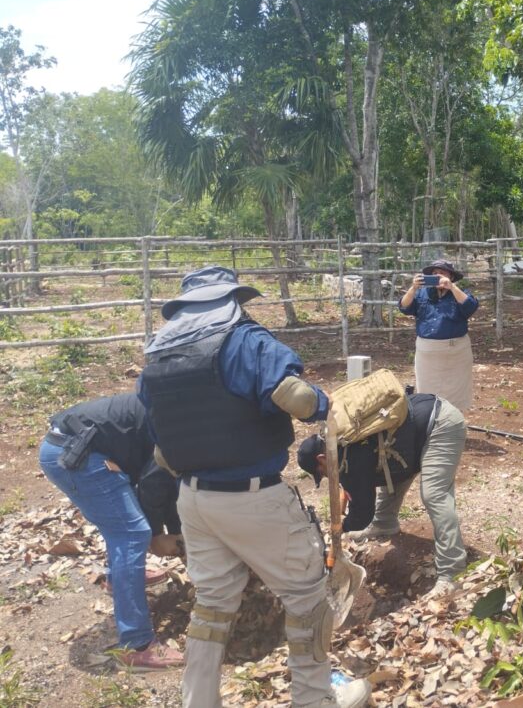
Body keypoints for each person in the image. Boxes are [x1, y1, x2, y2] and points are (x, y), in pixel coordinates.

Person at [139, 266, 370, 708]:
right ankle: (314, 699)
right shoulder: (243, 340)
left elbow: (161, 450)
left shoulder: (159, 361)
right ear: (232, 302)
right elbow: (297, 399)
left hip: (193, 499)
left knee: (211, 606)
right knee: (307, 601)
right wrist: (326, 402)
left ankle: (199, 701)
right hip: (253, 497)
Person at [38, 393, 184, 670]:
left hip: (68, 445)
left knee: (120, 520)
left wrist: (175, 531)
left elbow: (163, 484)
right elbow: (154, 484)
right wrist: (157, 537)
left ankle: (121, 579)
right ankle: (137, 646)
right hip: (75, 453)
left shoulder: (175, 404)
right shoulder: (178, 423)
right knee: (132, 533)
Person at [298, 391, 466, 598]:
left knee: (434, 494)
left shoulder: (348, 459)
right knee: (387, 468)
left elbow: (362, 514)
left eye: (321, 472)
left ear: (322, 458)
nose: (325, 477)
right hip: (413, 435)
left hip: (440, 424)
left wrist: (343, 527)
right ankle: (384, 522)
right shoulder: (339, 442)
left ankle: (452, 573)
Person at [398, 259, 478, 412]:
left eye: (442, 273)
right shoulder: (421, 293)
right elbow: (404, 306)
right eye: (434, 274)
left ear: (451, 277)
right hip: (428, 354)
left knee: (457, 392)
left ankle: (453, 424)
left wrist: (452, 287)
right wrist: (413, 288)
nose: (438, 276)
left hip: (457, 353)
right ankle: (430, 426)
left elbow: (470, 307)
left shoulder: (460, 293)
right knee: (428, 394)